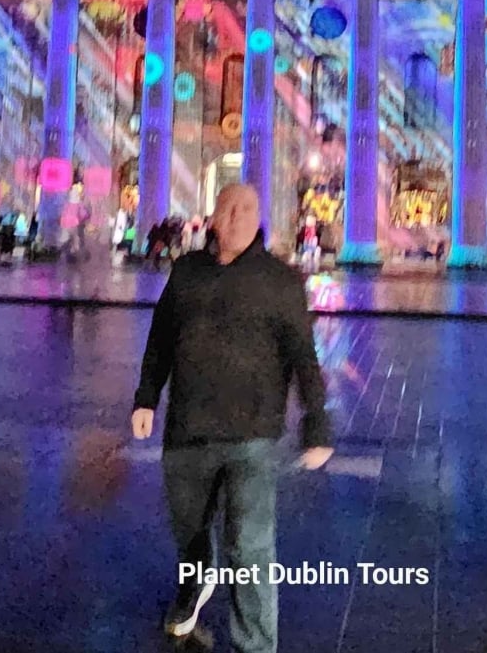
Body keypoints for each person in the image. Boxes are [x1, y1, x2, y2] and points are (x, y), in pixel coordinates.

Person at [131, 184, 334, 651]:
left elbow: (304, 356)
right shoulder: (187, 273)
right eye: (231, 208)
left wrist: (316, 424)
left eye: (249, 209)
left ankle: (256, 644)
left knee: (252, 549)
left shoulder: (280, 280)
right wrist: (145, 398)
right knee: (190, 532)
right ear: (214, 217)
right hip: (187, 431)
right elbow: (161, 339)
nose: (241, 216)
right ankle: (195, 584)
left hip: (252, 436)